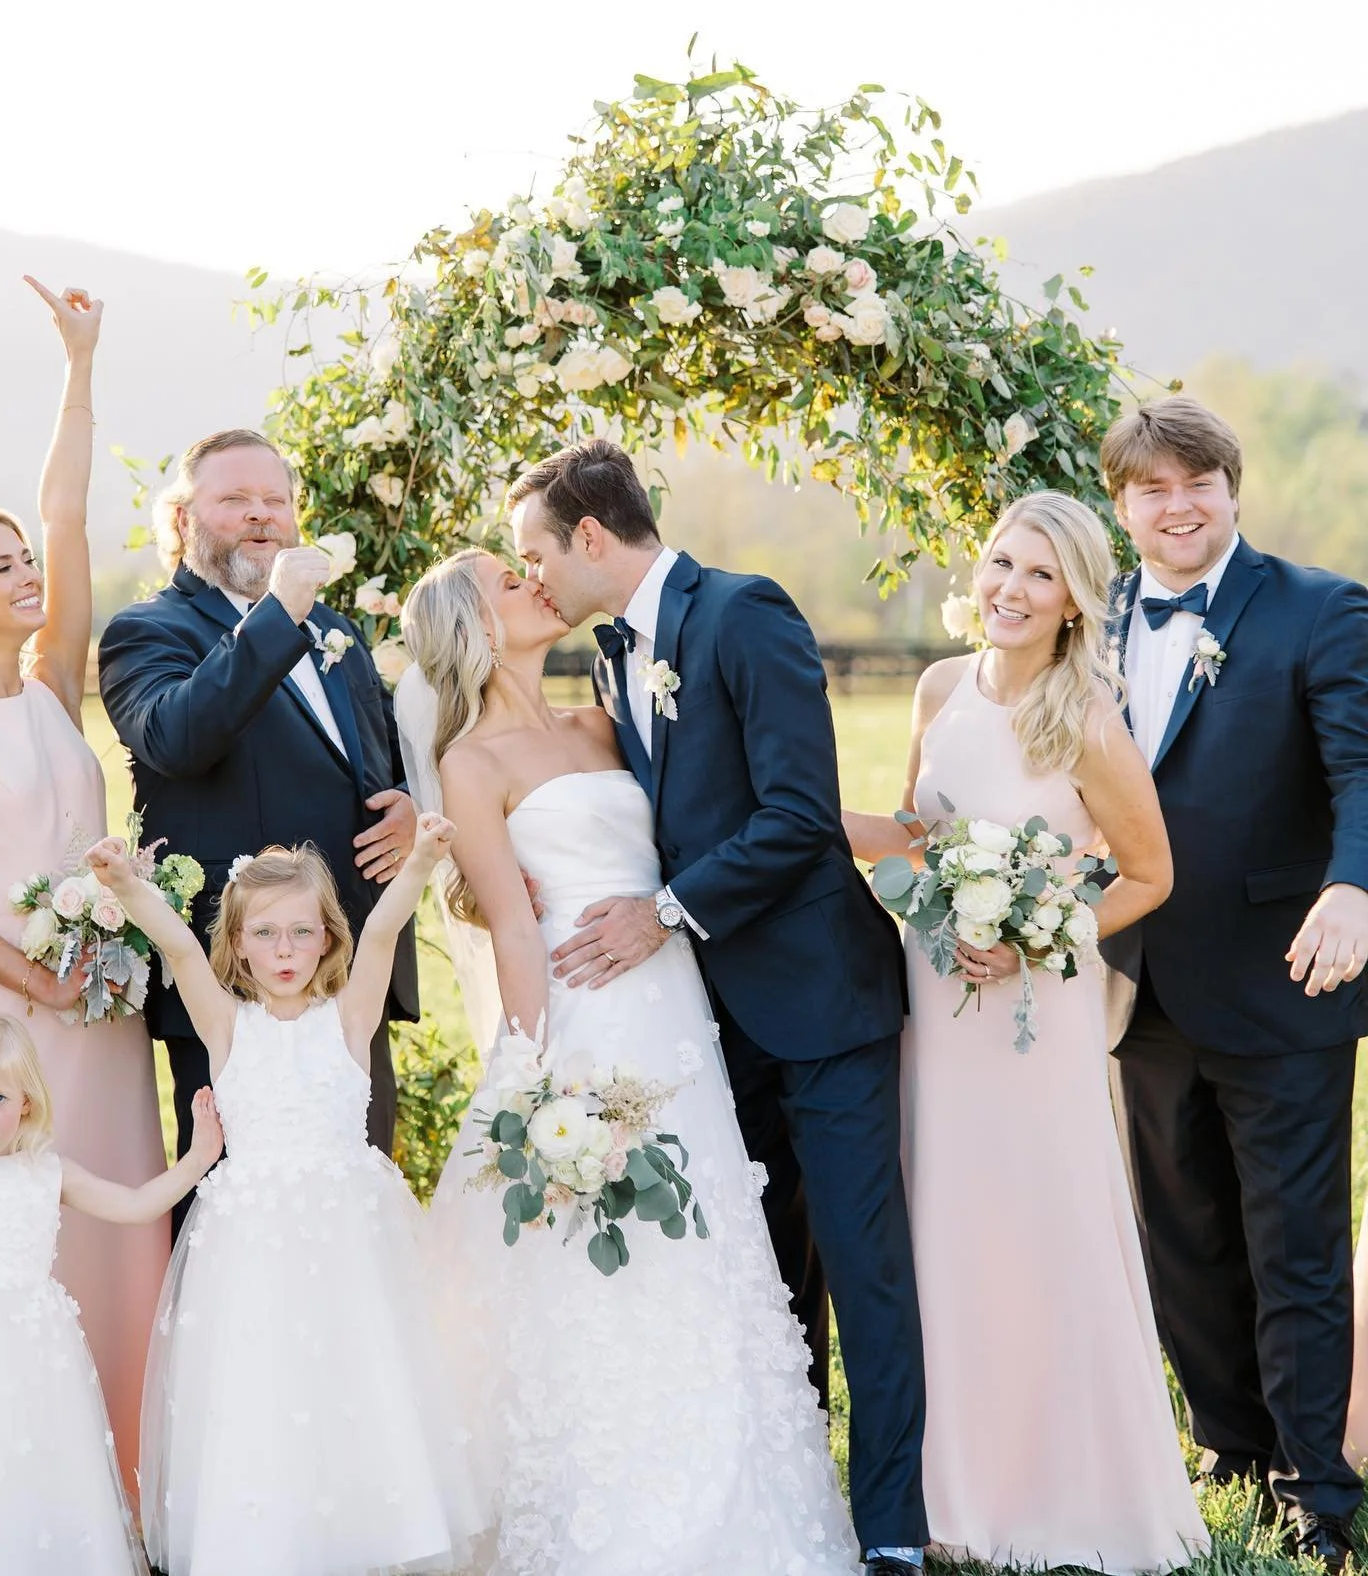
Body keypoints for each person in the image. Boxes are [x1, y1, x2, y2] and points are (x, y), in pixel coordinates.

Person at [403, 547, 861, 1576]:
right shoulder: (471, 763)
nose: (532, 581)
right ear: (475, 628)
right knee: (596, 1258)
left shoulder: (603, 719)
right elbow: (513, 929)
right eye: (506, 579)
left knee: (708, 1240)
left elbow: (714, 822)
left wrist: (884, 832)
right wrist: (535, 1079)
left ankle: (733, 1498)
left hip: (676, 1011)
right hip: (582, 1019)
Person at [844, 491, 1208, 1571]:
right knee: (946, 1224)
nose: (1011, 587)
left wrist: (1040, 937)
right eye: (1003, 561)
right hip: (937, 1001)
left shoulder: (1085, 718)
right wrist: (798, 812)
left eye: (1040, 574)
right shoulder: (939, 687)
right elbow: (916, 832)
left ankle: (1065, 1491)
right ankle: (954, 1492)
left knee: (1037, 1221)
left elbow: (1149, 874)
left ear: (1074, 601)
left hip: (1033, 1015)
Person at [1100, 396, 1368, 1569]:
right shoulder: (1097, 616)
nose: (1177, 506)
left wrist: (1354, 884)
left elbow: (1364, 767)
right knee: (1184, 1236)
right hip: (1140, 984)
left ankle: (1318, 1486)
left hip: (1283, 979)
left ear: (1231, 487)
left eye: (1196, 482)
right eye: (1152, 488)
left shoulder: (1321, 607)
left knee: (1293, 1243)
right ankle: (1232, 1444)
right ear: (1122, 505)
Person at [87, 820, 484, 1576]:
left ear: (327, 938)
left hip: (348, 1248)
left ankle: (370, 1535)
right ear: (238, 945)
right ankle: (269, 1542)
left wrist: (424, 860)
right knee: (263, 1386)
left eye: (302, 932)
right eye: (265, 934)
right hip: (255, 1252)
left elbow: (384, 931)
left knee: (359, 1377)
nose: (285, 951)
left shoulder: (350, 1019)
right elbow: (178, 947)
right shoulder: (226, 1026)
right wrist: (127, 886)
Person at [0, 279, 170, 1497]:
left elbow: (67, 510)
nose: (28, 572)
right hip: (12, 1022)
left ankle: (130, 1482)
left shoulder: (52, 680)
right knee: (28, 1235)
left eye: (26, 561)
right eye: (1, 566)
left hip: (105, 1010)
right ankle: (31, 1493)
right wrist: (40, 978)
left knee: (123, 1222)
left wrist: (81, 364)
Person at [96, 428, 418, 1216]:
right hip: (229, 979)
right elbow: (177, 736)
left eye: (275, 499)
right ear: (183, 519)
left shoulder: (336, 630)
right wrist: (277, 614)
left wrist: (407, 805)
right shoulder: (147, 631)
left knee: (357, 1206)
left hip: (346, 973)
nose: (261, 515)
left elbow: (376, 754)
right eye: (235, 499)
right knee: (233, 1214)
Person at [0, 1012, 221, 1576]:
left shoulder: (50, 1173)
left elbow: (135, 1206)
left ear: (26, 1100)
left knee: (16, 1460)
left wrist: (198, 1159)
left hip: (26, 1355)